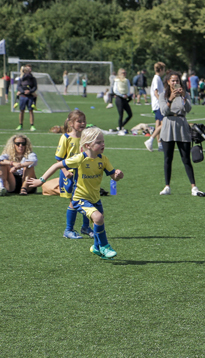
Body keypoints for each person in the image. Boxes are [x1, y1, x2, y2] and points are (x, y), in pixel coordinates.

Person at [28, 127, 124, 260]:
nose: (103, 144)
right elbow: (57, 165)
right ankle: (104, 246)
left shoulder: (104, 159)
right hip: (80, 198)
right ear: (87, 145)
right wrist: (41, 180)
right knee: (98, 218)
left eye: (103, 141)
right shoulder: (80, 159)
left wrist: (118, 175)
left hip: (95, 198)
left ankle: (96, 247)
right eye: (98, 142)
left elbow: (113, 176)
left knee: (98, 222)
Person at [158, 71, 205, 197]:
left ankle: (193, 187)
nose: (175, 83)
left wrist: (184, 96)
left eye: (177, 80)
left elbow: (188, 109)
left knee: (186, 158)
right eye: (172, 80)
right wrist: (170, 99)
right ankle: (167, 186)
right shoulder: (163, 95)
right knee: (168, 159)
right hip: (168, 126)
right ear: (168, 82)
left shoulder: (185, 94)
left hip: (182, 126)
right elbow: (163, 111)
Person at [55, 110, 92, 239]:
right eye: (79, 121)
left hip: (84, 174)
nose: (82, 123)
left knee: (87, 199)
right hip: (70, 175)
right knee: (74, 201)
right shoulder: (66, 138)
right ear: (71, 123)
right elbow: (59, 158)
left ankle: (86, 227)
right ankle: (68, 230)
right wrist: (65, 172)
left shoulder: (86, 137)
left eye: (84, 121)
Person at [145, 62, 166, 152]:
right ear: (161, 70)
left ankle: (159, 144)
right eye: (164, 69)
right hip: (158, 105)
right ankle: (150, 140)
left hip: (156, 105)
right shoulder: (157, 78)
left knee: (158, 123)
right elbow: (156, 92)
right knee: (164, 123)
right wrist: (161, 101)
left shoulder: (157, 78)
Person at [16, 65, 37, 132]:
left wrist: (30, 91)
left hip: (30, 97)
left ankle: (32, 125)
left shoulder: (33, 79)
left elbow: (35, 87)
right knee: (22, 111)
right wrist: (23, 91)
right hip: (23, 97)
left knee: (31, 111)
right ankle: (20, 125)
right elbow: (18, 87)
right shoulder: (21, 78)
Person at [112, 68, 133, 135]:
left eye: (125, 72)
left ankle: (121, 125)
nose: (124, 74)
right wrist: (121, 95)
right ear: (120, 73)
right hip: (119, 98)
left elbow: (128, 88)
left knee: (130, 114)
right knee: (121, 114)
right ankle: (120, 129)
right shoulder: (117, 81)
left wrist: (128, 95)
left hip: (124, 98)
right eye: (123, 72)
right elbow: (115, 90)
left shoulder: (127, 80)